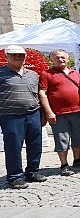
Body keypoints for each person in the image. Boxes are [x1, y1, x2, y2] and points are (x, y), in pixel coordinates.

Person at [38, 49, 80, 176]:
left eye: (63, 57)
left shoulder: (75, 73)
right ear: (52, 60)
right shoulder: (46, 74)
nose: (60, 59)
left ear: (67, 59)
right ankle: (64, 164)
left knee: (79, 137)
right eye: (57, 58)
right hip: (58, 113)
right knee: (62, 139)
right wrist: (48, 112)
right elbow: (42, 93)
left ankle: (77, 160)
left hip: (78, 111)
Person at [0, 45, 46, 189]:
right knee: (13, 147)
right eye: (14, 55)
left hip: (33, 114)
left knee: (35, 145)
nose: (18, 57)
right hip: (10, 116)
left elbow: (37, 95)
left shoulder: (33, 74)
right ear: (6, 56)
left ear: (25, 57)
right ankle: (15, 177)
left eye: (21, 55)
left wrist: (43, 114)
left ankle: (32, 171)